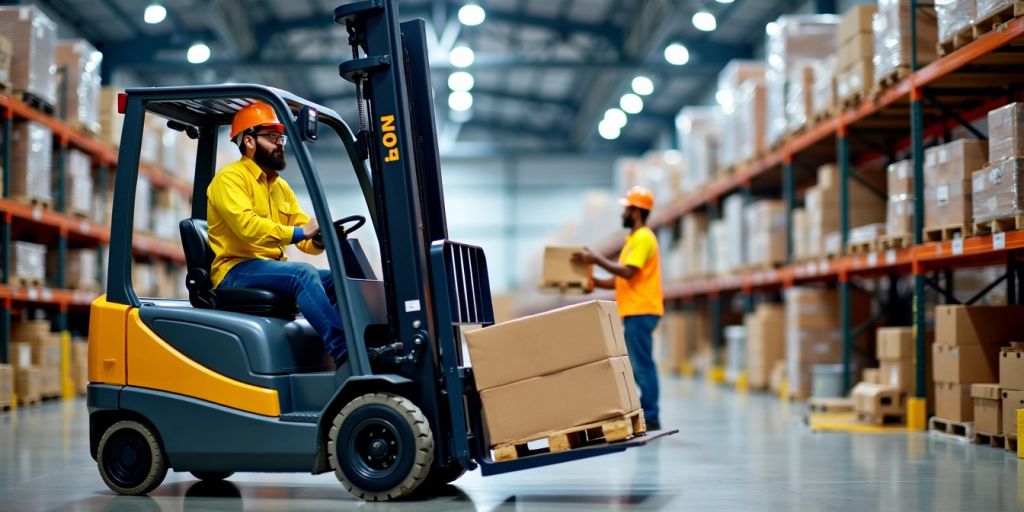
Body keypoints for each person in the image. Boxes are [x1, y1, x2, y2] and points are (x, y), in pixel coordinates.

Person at [207, 101, 347, 364]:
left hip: (268, 268)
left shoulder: (280, 187)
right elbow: (248, 227)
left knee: (341, 280)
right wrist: (301, 232)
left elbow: (304, 239)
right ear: (249, 141)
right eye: (272, 136)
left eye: (280, 137)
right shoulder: (230, 179)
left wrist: (320, 238)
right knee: (303, 274)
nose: (280, 143)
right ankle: (344, 352)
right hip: (235, 270)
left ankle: (347, 346)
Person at [572, 186, 664, 430]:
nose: (623, 213)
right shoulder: (632, 240)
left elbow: (628, 272)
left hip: (641, 309)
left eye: (626, 209)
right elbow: (620, 279)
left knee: (642, 365)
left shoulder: (643, 238)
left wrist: (596, 259)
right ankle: (647, 411)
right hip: (635, 310)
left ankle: (651, 415)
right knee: (638, 364)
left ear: (636, 212)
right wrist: (595, 282)